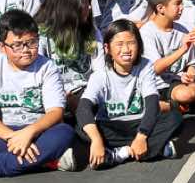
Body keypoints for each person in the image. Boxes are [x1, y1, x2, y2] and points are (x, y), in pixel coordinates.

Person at [0, 8, 74, 179]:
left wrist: (29, 133)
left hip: (38, 131)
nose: (26, 50)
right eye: (17, 45)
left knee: (64, 133)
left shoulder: (47, 67)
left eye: (32, 42)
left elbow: (55, 112)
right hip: (4, 132)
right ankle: (46, 161)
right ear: (2, 47)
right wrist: (13, 137)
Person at [76, 18, 181, 167]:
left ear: (139, 45)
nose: (126, 50)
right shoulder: (100, 75)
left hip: (139, 124)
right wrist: (96, 140)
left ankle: (117, 154)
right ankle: (155, 149)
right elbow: (83, 107)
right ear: (107, 48)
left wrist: (141, 136)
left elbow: (152, 103)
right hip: (111, 125)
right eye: (119, 44)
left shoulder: (145, 67)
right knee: (81, 128)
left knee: (174, 117)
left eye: (131, 43)